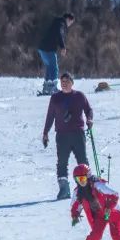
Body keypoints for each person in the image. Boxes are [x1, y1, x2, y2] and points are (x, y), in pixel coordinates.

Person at [42, 72, 93, 200]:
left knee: (82, 161)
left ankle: (86, 188)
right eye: (62, 82)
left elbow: (88, 110)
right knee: (62, 163)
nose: (64, 84)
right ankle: (64, 189)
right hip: (62, 135)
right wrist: (45, 132)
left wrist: (89, 120)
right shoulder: (55, 98)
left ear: (72, 83)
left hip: (78, 134)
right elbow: (50, 116)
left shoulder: (79, 96)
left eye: (67, 81)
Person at [37, 12, 74, 95]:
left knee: (49, 67)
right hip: (48, 48)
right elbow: (59, 33)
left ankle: (47, 88)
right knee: (54, 67)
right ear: (68, 19)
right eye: (71, 22)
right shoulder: (61, 24)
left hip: (42, 48)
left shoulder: (56, 22)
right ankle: (52, 88)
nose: (70, 25)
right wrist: (63, 47)